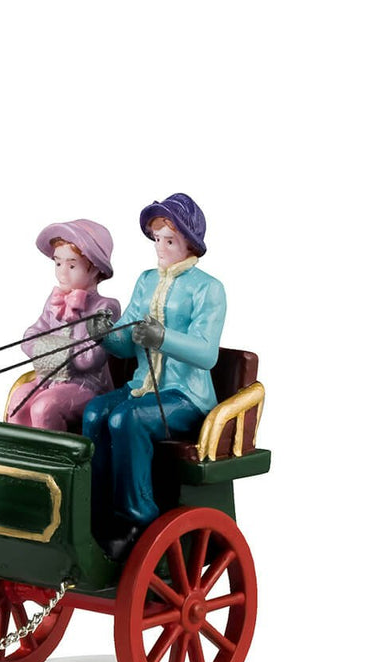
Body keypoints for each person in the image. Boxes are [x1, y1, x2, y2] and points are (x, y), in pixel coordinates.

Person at [84, 193, 226, 557]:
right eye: (157, 239)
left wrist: (162, 338)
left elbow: (207, 353)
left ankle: (136, 520)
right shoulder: (146, 281)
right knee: (95, 413)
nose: (160, 247)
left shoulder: (208, 289)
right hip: (141, 388)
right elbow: (126, 343)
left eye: (170, 241)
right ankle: (94, 510)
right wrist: (106, 334)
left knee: (126, 420)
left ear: (190, 243)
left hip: (185, 397)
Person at [5, 219, 120, 432]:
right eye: (58, 264)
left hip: (88, 386)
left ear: (95, 269)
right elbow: (30, 336)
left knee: (44, 407)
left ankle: (52, 453)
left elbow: (89, 358)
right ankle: (18, 452)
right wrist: (45, 345)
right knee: (18, 401)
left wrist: (50, 347)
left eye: (72, 265)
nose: (62, 273)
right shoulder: (54, 301)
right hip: (48, 379)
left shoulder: (105, 307)